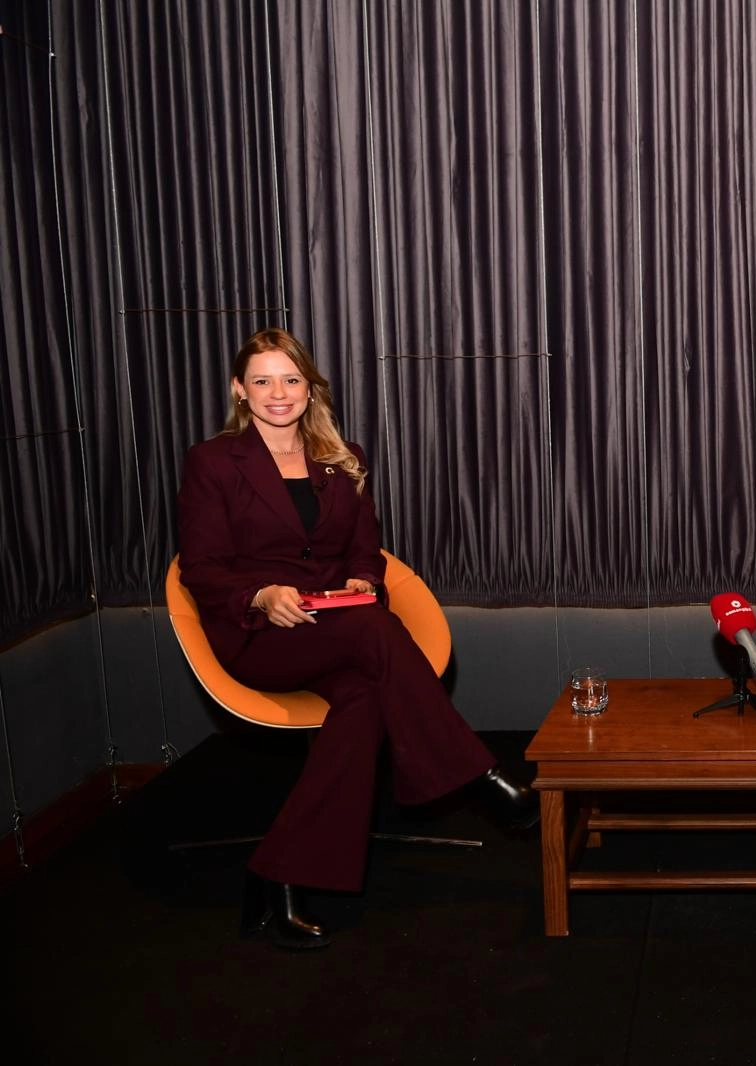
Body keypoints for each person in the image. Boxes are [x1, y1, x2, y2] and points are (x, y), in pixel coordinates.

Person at [176, 327, 538, 951]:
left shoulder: (342, 458)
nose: (278, 393)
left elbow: (366, 552)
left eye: (291, 379)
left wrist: (360, 580)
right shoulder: (213, 461)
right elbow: (200, 568)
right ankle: (481, 777)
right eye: (262, 380)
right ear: (240, 390)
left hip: (340, 627)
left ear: (310, 387)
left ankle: (279, 875)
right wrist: (261, 596)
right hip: (262, 634)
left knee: (363, 701)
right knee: (373, 627)